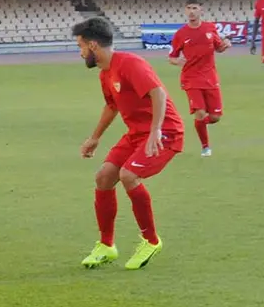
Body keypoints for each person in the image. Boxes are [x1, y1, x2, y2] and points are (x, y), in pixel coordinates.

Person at [73, 17, 184, 270]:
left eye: (80, 46)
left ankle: (151, 240)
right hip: (136, 133)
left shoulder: (130, 63)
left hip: (165, 132)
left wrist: (155, 130)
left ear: (93, 45)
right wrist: (95, 137)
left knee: (128, 175)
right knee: (103, 177)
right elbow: (112, 105)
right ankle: (106, 246)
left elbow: (158, 93)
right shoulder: (105, 72)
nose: (79, 53)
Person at [168, 0, 231, 157]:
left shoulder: (210, 28)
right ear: (185, 10)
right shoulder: (180, 34)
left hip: (210, 78)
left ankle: (199, 125)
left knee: (215, 117)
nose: (191, 12)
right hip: (191, 79)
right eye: (189, 8)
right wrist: (177, 61)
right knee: (201, 113)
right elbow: (171, 57)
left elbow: (219, 47)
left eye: (195, 8)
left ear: (201, 10)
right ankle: (205, 147)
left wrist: (226, 45)